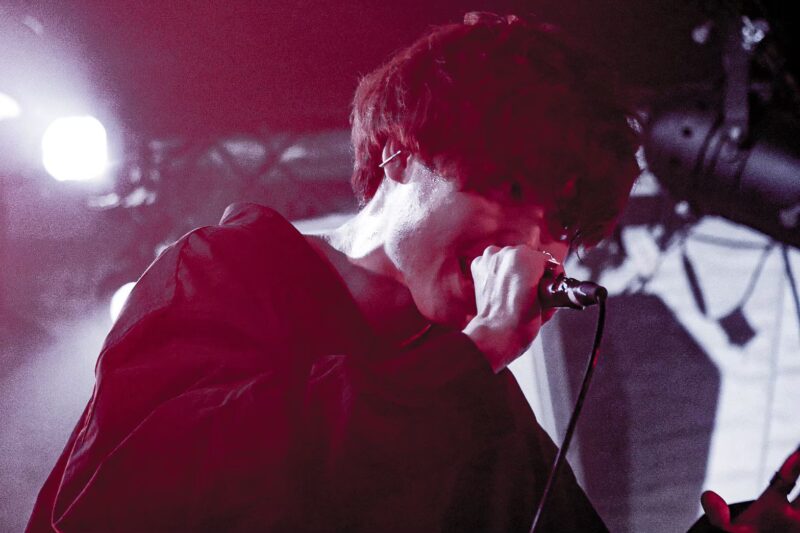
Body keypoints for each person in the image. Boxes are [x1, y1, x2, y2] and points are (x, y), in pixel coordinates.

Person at [25, 11, 799, 533]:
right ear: (402, 154)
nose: (534, 243)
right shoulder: (228, 271)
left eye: (564, 225)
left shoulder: (485, 411)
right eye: (512, 187)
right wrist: (472, 357)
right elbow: (125, 503)